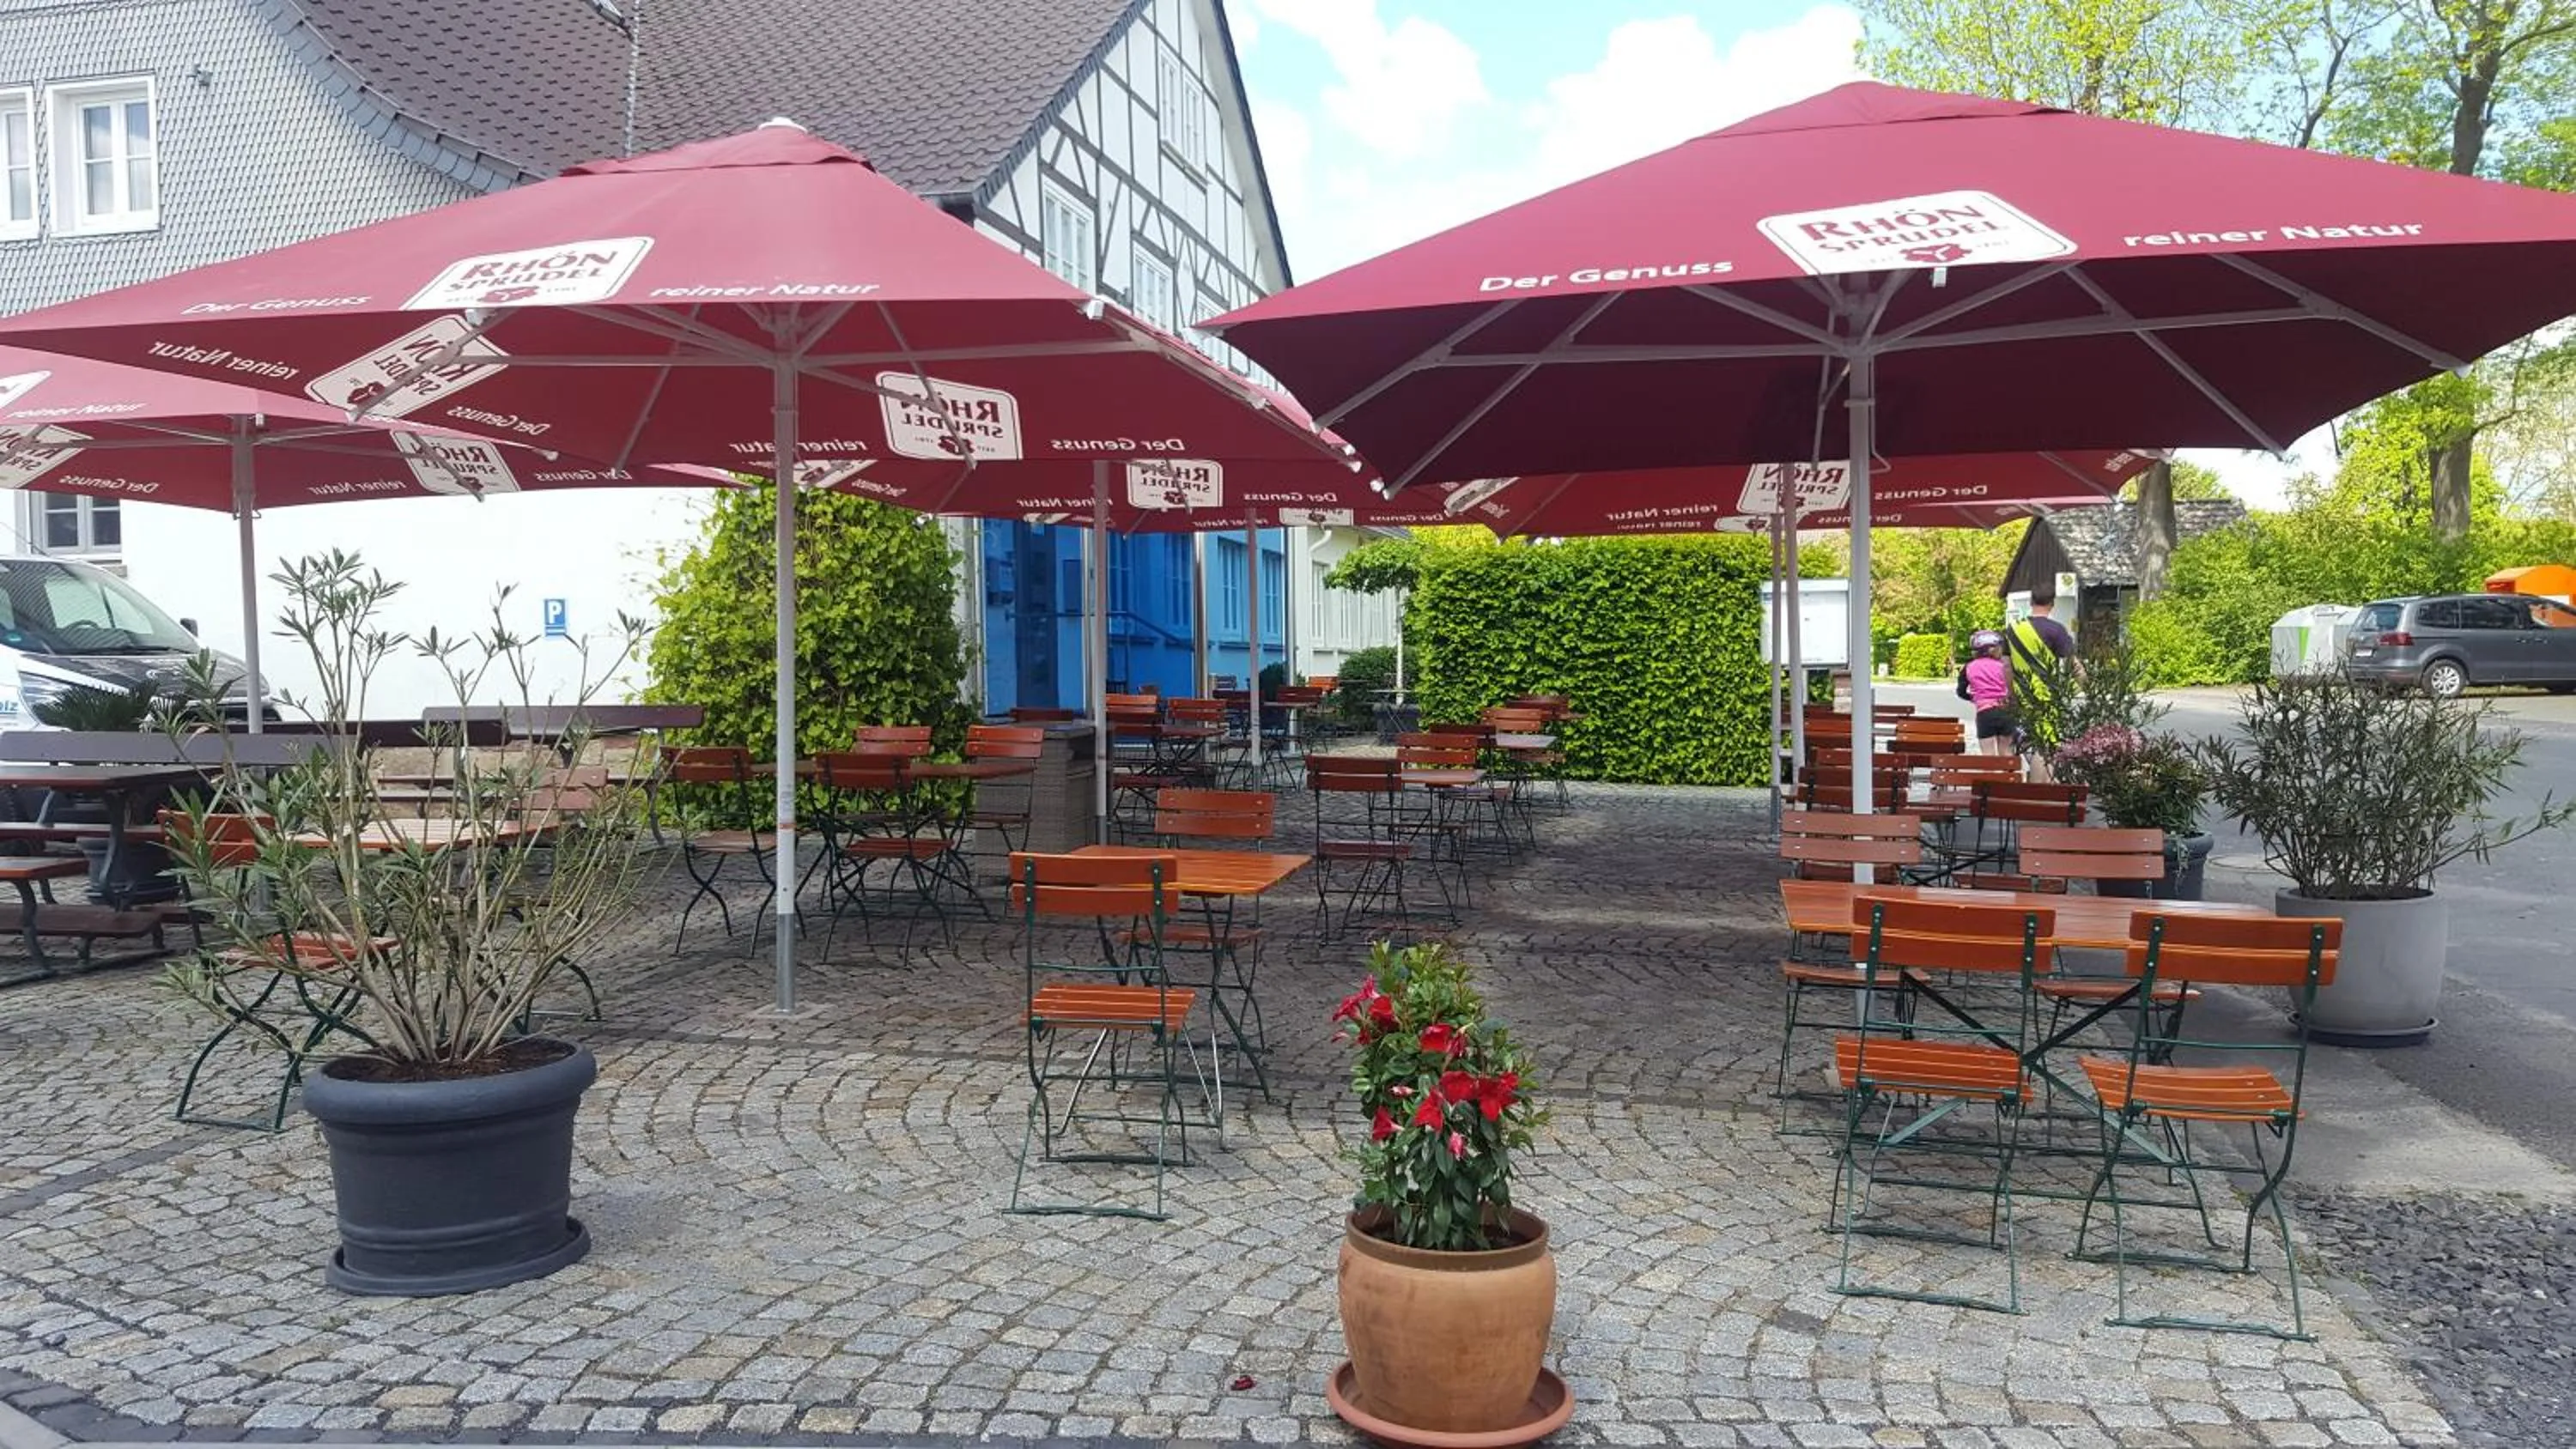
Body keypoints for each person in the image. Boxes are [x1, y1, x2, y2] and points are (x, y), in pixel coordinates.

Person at [2006, 584, 2078, 772]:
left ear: (2030, 602)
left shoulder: (2013, 629)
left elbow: (2006, 666)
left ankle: (2037, 786)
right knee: (2045, 745)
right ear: (2052, 604)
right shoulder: (2057, 630)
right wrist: (2087, 686)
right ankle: (2040, 790)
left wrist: (2011, 693)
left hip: (2022, 694)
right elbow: (2072, 663)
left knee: (2031, 742)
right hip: (2047, 697)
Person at [1959, 631, 2015, 755]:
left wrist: (1975, 698)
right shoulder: (2003, 666)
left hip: (1985, 713)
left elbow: (1961, 691)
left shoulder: (1969, 667)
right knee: (2007, 752)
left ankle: (1991, 773)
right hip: (2006, 710)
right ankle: (2008, 774)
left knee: (1988, 755)